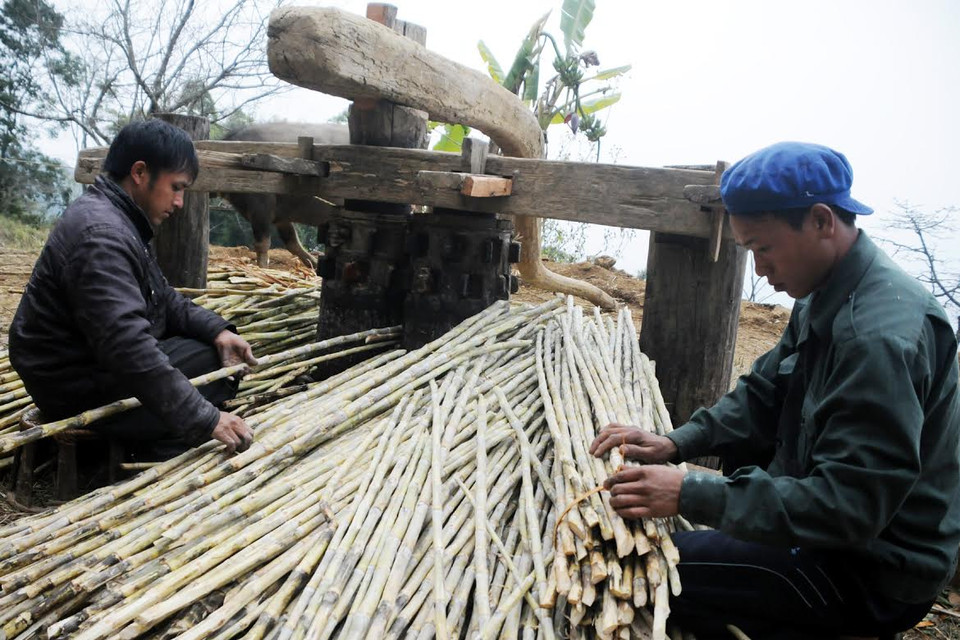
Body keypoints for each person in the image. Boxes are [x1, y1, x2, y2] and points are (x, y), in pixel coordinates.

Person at [590, 141, 960, 639]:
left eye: (764, 248)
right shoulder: (826, 290)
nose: (759, 269)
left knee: (660, 571)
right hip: (840, 534)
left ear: (822, 221)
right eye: (750, 251)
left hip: (873, 573)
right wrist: (679, 442)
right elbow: (765, 389)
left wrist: (691, 493)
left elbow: (849, 507)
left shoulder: (877, 338)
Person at [9, 119, 256, 459]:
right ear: (140, 173)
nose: (181, 202)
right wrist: (206, 418)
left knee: (213, 352)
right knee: (211, 367)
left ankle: (161, 428)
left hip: (88, 363)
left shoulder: (121, 220)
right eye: (177, 187)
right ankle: (158, 449)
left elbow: (162, 297)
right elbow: (127, 346)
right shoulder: (102, 236)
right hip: (71, 384)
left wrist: (217, 331)